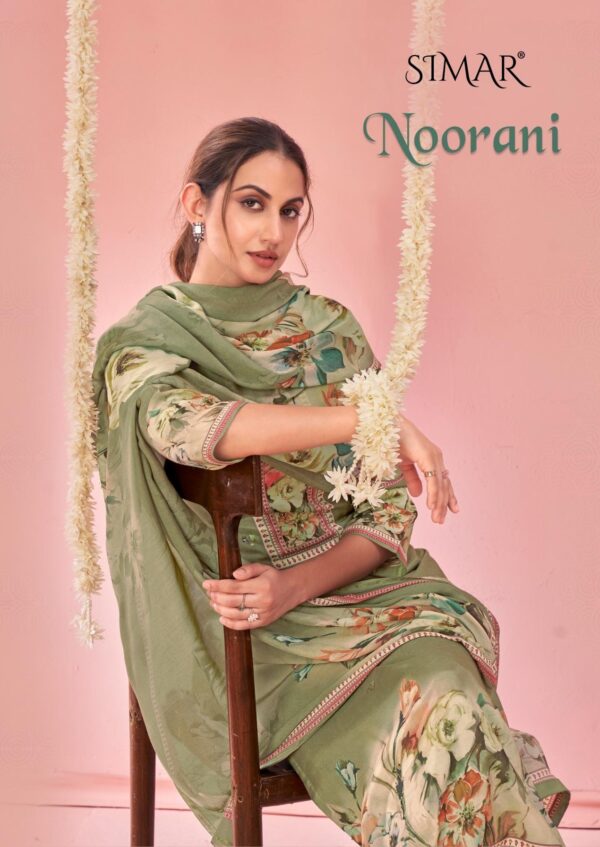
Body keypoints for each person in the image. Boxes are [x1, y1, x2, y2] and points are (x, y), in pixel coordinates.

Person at [92, 116, 570, 846]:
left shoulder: (328, 331)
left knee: (448, 697)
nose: (273, 232)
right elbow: (193, 427)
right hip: (248, 639)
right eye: (251, 203)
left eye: (290, 211)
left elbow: (385, 513)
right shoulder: (148, 343)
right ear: (196, 204)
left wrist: (296, 583)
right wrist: (367, 418)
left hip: (362, 603)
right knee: (430, 715)